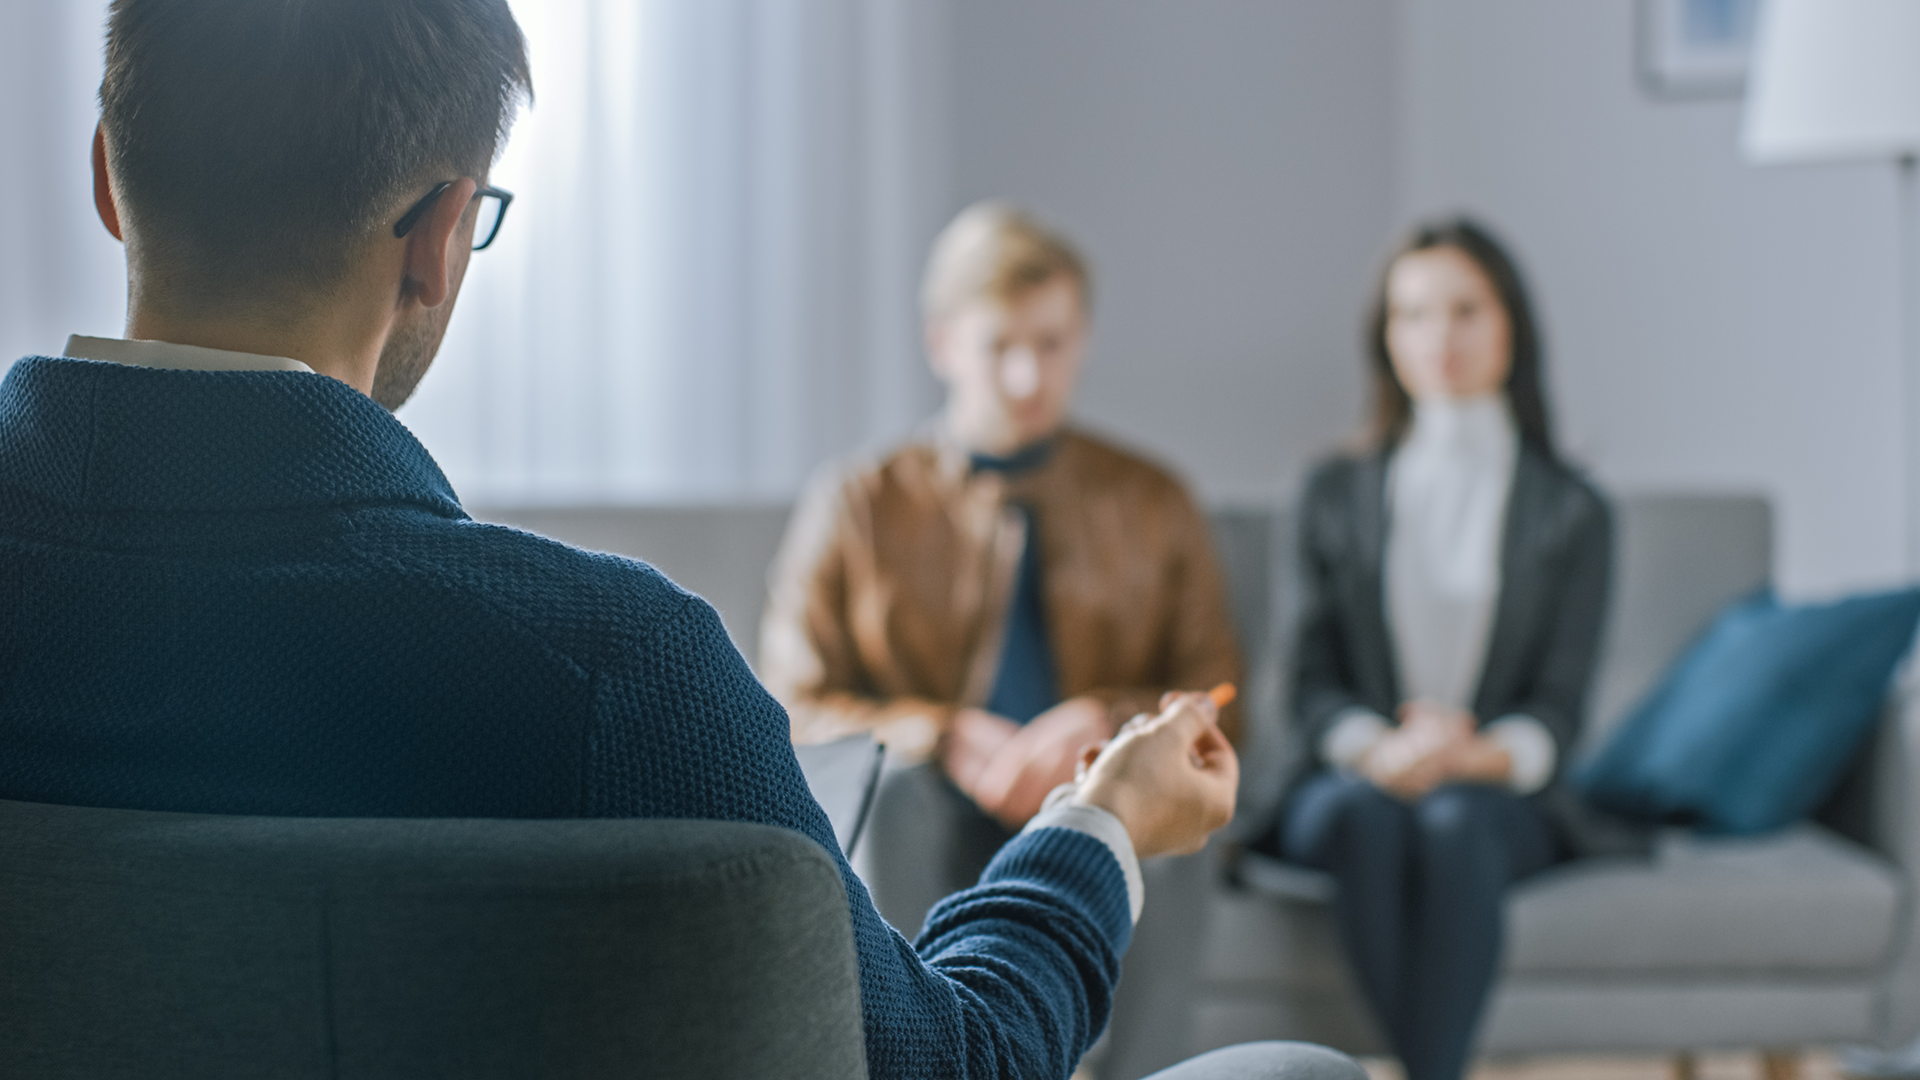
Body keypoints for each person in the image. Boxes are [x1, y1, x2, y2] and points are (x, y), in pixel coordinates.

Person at [0, 4, 1284, 1079]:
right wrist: (1102, 821)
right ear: (441, 239)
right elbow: (950, 1064)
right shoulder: (614, 663)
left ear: (108, 175)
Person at [760, 203, 1246, 1076]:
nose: (1027, 376)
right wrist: (941, 734)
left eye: (1051, 343)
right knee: (897, 792)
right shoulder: (859, 502)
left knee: (1171, 817)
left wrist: (1108, 721)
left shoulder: (1153, 500)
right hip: (933, 807)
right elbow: (789, 706)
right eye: (1000, 347)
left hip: (1097, 794)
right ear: (943, 344)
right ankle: (917, 1062)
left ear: (1083, 337)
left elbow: (1217, 695)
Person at [1273, 219, 1613, 1080]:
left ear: (1511, 326)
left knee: (1452, 821)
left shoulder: (1573, 510)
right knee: (1366, 816)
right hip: (1356, 780)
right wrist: (1380, 750)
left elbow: (1559, 709)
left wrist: (1474, 756)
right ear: (1385, 338)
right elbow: (1307, 686)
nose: (1440, 337)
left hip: (1492, 790)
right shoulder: (1331, 493)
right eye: (1414, 314)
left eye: (1467, 310)